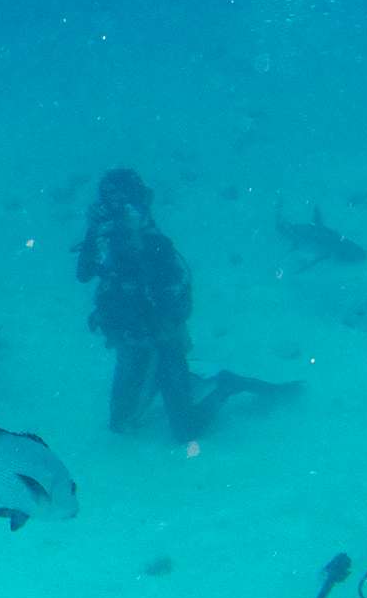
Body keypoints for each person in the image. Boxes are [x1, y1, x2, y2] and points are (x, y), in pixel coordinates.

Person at [75, 169, 293, 441]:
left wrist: (137, 239)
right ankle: (166, 381)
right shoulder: (106, 239)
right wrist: (92, 230)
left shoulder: (156, 244)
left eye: (123, 201)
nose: (117, 208)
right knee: (119, 424)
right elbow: (84, 273)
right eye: (109, 200)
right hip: (128, 341)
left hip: (163, 343)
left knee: (185, 431)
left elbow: (168, 298)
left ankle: (225, 385)